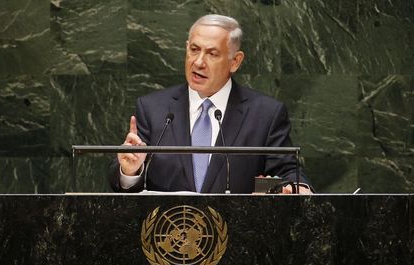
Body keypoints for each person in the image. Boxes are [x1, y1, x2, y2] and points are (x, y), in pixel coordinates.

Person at [108, 14, 312, 194]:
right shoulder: (153, 108)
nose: (198, 62)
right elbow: (124, 180)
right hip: (167, 232)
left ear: (235, 61)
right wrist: (130, 171)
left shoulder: (266, 114)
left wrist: (297, 188)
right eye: (194, 49)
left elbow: (288, 172)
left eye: (212, 54)